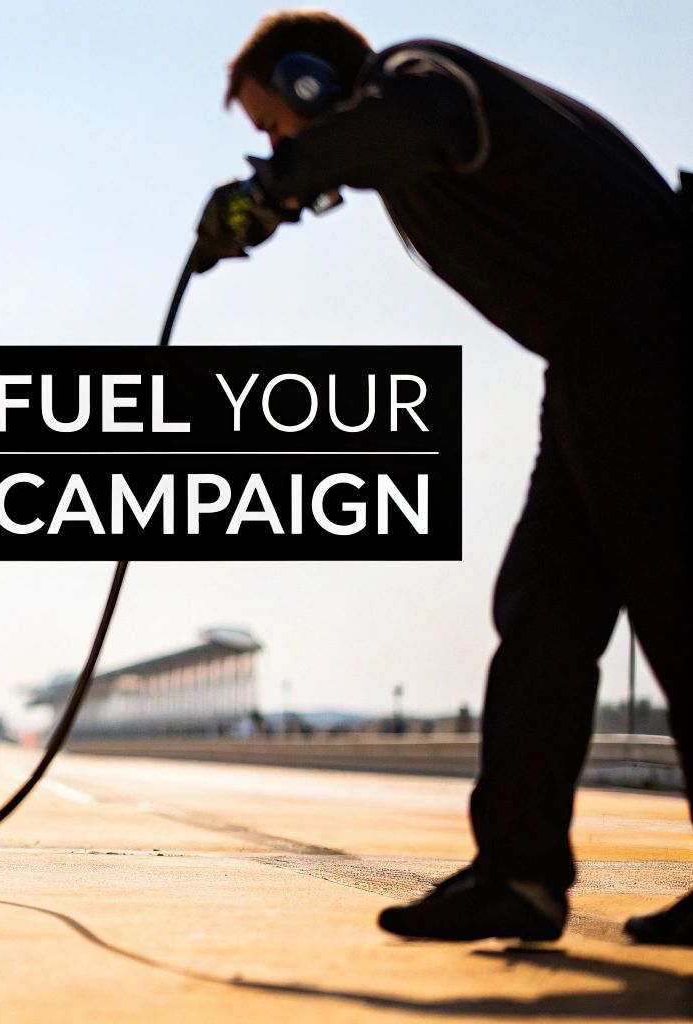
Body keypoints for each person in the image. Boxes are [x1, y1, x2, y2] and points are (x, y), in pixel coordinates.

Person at [199, 11, 691, 943]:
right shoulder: (397, 127)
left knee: (675, 609)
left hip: (652, 342)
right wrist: (284, 190)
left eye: (274, 123)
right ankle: (518, 875)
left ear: (310, 82)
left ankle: (518, 869)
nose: (275, 145)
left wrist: (271, 190)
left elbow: (409, 123)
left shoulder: (421, 76)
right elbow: (380, 144)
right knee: (543, 615)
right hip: (595, 362)